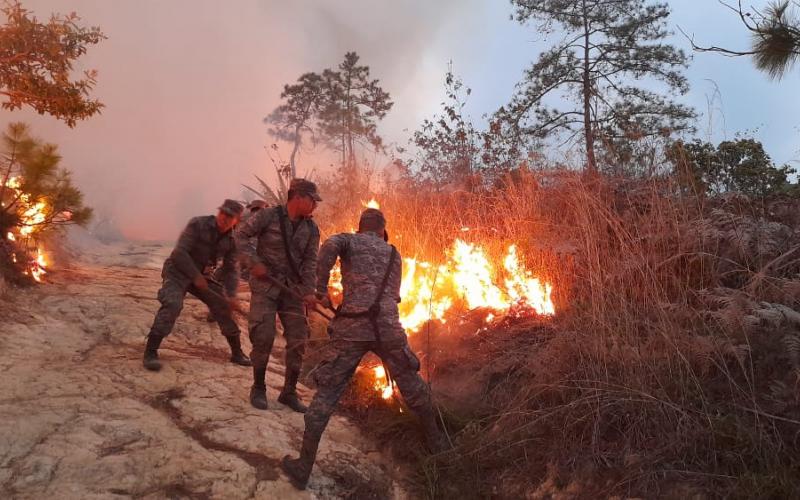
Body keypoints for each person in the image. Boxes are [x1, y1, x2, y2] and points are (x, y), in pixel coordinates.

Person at [280, 208, 448, 490]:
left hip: (352, 329)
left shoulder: (347, 240)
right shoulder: (395, 254)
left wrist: (319, 290)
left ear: (360, 229)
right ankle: (439, 444)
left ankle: (303, 467)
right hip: (388, 330)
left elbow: (329, 246)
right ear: (383, 231)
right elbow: (393, 296)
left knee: (327, 394)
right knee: (413, 386)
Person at [236, 179, 321, 412]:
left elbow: (310, 263)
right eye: (313, 200)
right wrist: (254, 263)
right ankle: (258, 387)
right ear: (298, 197)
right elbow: (241, 236)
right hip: (265, 286)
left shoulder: (312, 229)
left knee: (298, 339)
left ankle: (289, 392)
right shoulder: (268, 216)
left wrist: (309, 292)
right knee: (263, 335)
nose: (315, 205)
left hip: (292, 291)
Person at [143, 199, 252, 371]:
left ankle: (237, 353)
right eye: (223, 213)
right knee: (173, 303)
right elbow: (179, 252)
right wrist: (195, 276)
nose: (224, 217)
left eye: (230, 216)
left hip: (203, 276)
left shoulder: (232, 241)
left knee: (223, 307)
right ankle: (150, 352)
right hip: (178, 271)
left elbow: (231, 270)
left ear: (236, 220)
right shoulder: (197, 224)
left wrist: (230, 295)